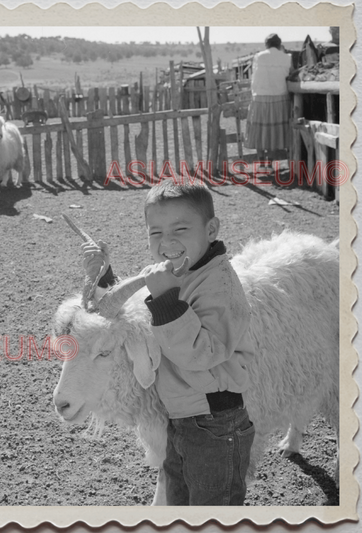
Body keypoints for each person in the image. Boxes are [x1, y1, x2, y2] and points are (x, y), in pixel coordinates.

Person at [82, 179, 255, 506]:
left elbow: (204, 353)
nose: (167, 241)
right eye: (156, 232)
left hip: (216, 425)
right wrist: (105, 276)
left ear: (211, 229)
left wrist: (166, 300)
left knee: (212, 509)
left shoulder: (219, 285)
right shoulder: (178, 270)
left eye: (180, 229)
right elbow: (137, 306)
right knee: (179, 503)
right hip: (181, 419)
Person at [245, 33, 292, 167]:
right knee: (273, 130)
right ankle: (270, 163)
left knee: (260, 129)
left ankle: (261, 163)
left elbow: (254, 76)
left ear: (266, 44)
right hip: (279, 97)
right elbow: (290, 74)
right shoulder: (287, 58)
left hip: (260, 97)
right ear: (279, 44)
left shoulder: (258, 56)